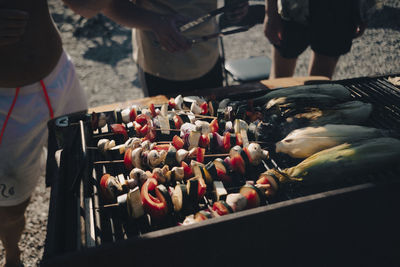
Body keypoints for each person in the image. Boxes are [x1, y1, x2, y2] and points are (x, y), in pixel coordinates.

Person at [0, 1, 111, 266]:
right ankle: (13, 254)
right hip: (6, 103)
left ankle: (83, 240)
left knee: (87, 158)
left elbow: (83, 6)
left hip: (59, 73)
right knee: (11, 205)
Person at [92, 0, 249, 97]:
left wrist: (235, 5)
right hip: (161, 64)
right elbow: (107, 4)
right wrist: (156, 23)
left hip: (208, 56)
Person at [263, 0, 381, 79]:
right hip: (293, 8)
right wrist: (270, 13)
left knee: (318, 85)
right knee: (279, 81)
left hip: (340, 9)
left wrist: (365, 11)